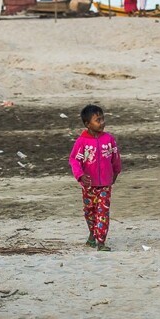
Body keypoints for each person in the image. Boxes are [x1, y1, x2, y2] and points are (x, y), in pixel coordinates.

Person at [68, 104, 122, 251]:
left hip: (105, 184)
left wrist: (116, 172)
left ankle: (101, 242)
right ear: (87, 124)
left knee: (103, 212)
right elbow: (74, 160)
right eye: (98, 120)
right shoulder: (82, 142)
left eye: (102, 119)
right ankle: (92, 234)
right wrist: (80, 175)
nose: (102, 122)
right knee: (89, 211)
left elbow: (115, 158)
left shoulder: (109, 140)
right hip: (88, 185)